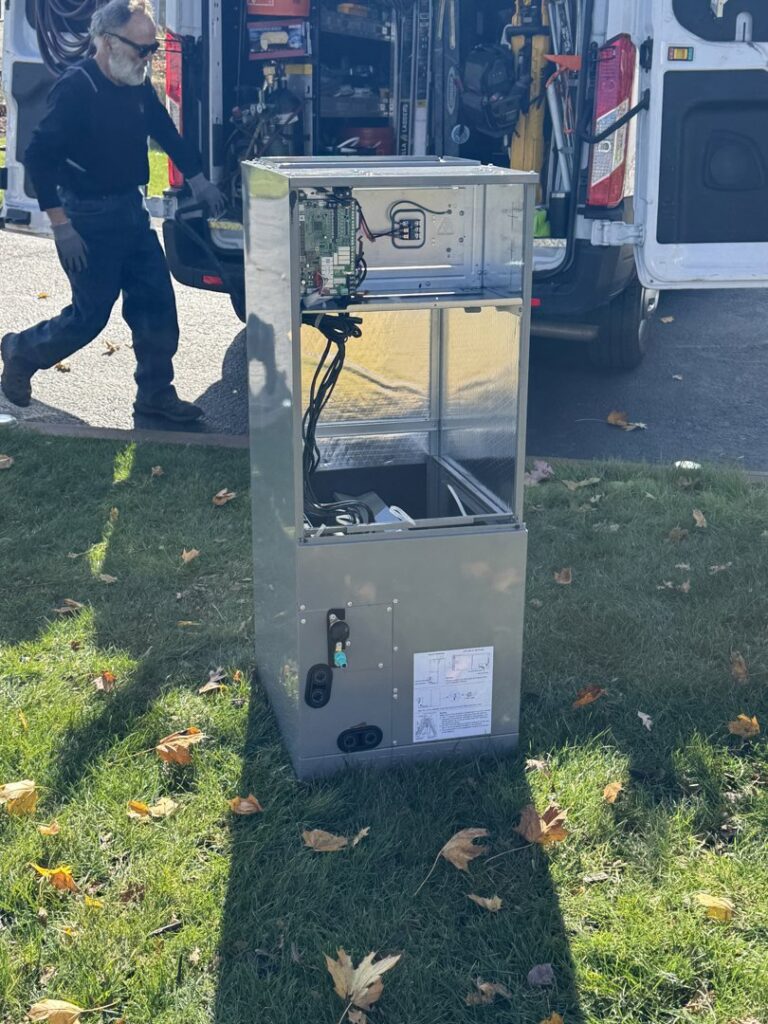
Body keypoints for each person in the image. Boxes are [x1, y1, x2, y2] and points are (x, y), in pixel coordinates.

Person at [0, 0, 225, 422]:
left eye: (152, 49)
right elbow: (39, 157)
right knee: (90, 317)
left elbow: (165, 132)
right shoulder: (76, 88)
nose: (148, 58)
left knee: (156, 305)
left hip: (129, 212)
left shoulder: (136, 85)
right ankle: (20, 350)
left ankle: (155, 395)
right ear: (106, 42)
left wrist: (198, 180)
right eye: (141, 49)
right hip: (86, 220)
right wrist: (61, 226)